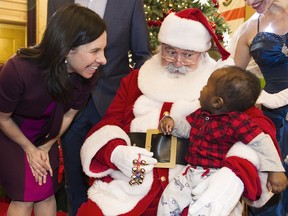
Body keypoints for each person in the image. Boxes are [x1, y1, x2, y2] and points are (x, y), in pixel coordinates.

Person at [77, 8, 280, 216]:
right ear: (160, 47)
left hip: (196, 184)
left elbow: (259, 128)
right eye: (170, 51)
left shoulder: (221, 83)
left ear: (202, 52)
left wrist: (232, 173)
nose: (178, 62)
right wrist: (117, 153)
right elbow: (109, 123)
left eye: (188, 54)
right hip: (133, 184)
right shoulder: (136, 79)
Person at [0, 4, 107, 216]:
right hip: (10, 134)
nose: (103, 59)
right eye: (95, 50)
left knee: (46, 193)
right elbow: (2, 118)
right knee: (25, 197)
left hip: (46, 136)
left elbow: (69, 114)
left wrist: (46, 146)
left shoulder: (87, 73)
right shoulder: (19, 69)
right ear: (67, 48)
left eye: (103, 50)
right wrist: (30, 149)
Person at [47, 1, 151, 215]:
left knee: (113, 179)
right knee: (73, 179)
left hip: (113, 106)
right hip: (70, 103)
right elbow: (54, 48)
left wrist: (135, 101)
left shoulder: (129, 3)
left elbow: (142, 55)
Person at [157, 66, 287, 215]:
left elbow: (262, 142)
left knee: (207, 208)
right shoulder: (201, 114)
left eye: (206, 86)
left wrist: (275, 170)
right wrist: (172, 123)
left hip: (215, 176)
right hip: (190, 171)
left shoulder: (238, 121)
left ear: (217, 102)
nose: (202, 89)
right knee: (168, 200)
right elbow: (188, 129)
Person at [231, 0, 288, 215]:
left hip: (276, 104)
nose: (248, 2)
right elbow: (234, 79)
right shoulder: (248, 29)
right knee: (275, 191)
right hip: (276, 122)